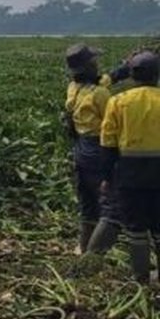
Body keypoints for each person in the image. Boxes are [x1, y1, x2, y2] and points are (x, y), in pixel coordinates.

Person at [99, 51, 160, 284]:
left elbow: (108, 145)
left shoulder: (118, 102)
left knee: (136, 229)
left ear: (132, 76)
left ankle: (141, 279)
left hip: (130, 174)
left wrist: (107, 177)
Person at [87, 51, 141, 252]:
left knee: (110, 210)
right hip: (105, 152)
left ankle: (88, 255)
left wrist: (107, 175)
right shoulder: (101, 94)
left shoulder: (114, 99)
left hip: (112, 156)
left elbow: (109, 144)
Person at [62, 44, 112, 254]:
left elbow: (106, 79)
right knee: (106, 198)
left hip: (80, 148)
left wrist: (123, 69)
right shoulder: (101, 94)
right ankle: (96, 250)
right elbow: (110, 123)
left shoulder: (74, 89)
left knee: (87, 198)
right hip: (98, 148)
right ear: (90, 66)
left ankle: (83, 245)